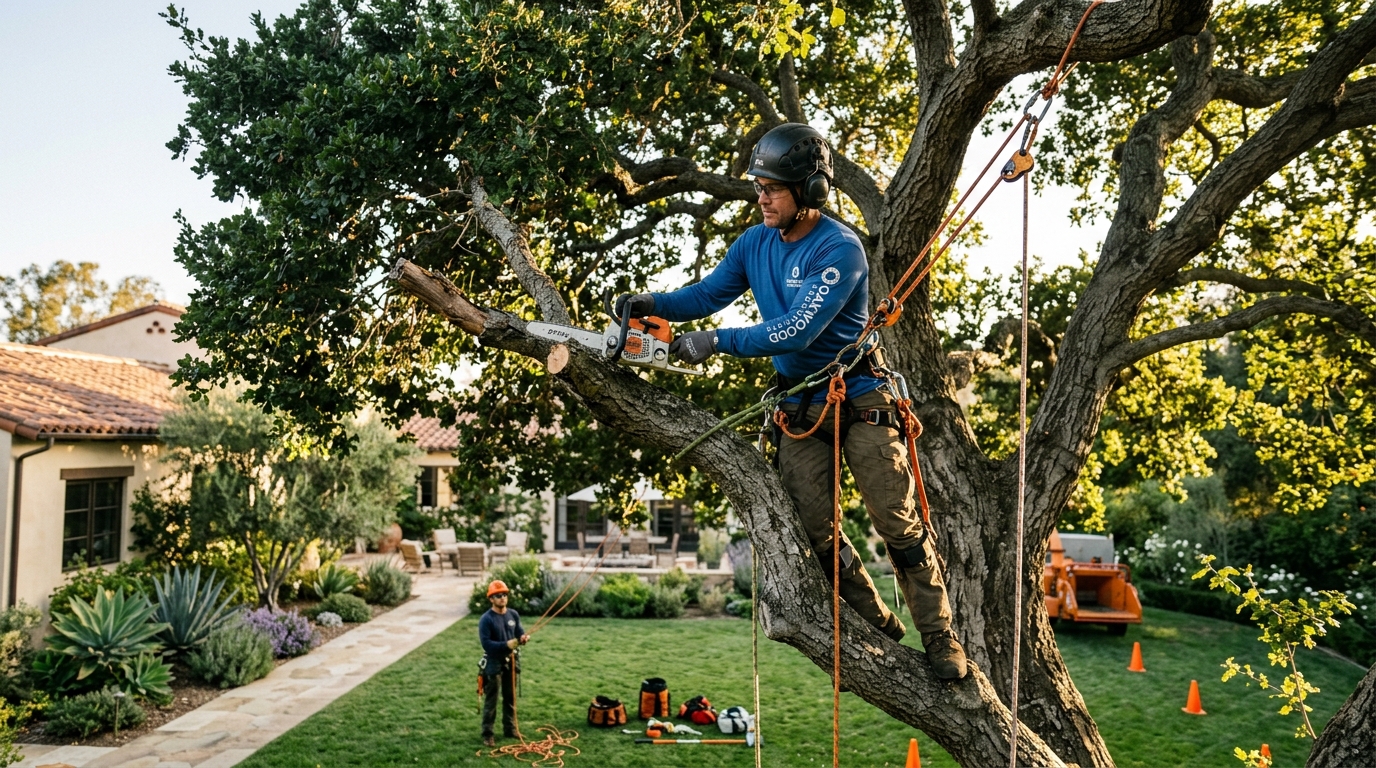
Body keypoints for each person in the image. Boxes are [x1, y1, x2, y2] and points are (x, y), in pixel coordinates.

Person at [619, 123, 967, 680]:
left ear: (810, 191)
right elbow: (709, 293)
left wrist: (717, 340)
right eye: (758, 186)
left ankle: (941, 636)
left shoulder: (840, 249)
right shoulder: (754, 242)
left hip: (860, 397)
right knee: (812, 529)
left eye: (773, 188)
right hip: (803, 407)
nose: (761, 197)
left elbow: (797, 331)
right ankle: (875, 619)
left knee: (897, 524)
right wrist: (651, 302)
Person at [478, 579, 529, 745]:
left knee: (510, 697)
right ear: (491, 599)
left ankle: (510, 729)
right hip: (493, 663)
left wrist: (522, 638)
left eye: (504, 595)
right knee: (491, 700)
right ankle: (487, 734)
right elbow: (487, 644)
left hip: (511, 661)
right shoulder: (486, 619)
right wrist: (506, 644)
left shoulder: (513, 615)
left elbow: (519, 632)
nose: (502, 598)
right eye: (498, 595)